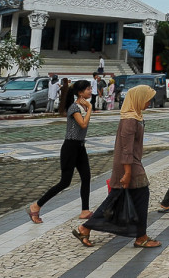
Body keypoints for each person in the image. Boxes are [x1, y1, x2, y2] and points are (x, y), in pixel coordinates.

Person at [74, 85, 160, 248]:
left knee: (115, 199)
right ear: (138, 99)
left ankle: (85, 228)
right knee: (139, 196)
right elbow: (127, 149)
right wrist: (127, 173)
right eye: (147, 99)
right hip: (130, 166)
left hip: (132, 164)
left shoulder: (135, 116)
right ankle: (141, 237)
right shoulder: (130, 120)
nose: (149, 103)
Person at [29, 80, 94, 223]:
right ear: (80, 92)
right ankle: (36, 206)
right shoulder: (74, 108)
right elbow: (82, 124)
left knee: (86, 177)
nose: (90, 91)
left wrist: (88, 108)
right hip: (70, 147)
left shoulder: (81, 106)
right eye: (88, 89)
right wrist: (90, 108)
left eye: (90, 88)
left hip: (80, 147)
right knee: (65, 182)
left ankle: (85, 210)